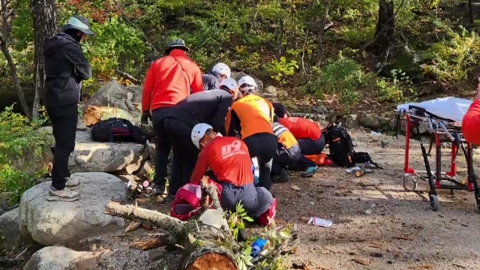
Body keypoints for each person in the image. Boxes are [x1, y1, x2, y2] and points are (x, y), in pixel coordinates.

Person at [141, 39, 203, 197]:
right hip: (179, 112)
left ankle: (158, 186)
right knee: (178, 150)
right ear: (185, 50)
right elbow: (198, 95)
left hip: (159, 112)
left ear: (169, 50)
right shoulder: (192, 66)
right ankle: (175, 191)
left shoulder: (158, 64)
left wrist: (145, 110)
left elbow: (148, 88)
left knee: (162, 148)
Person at [160, 78, 239, 198]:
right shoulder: (226, 97)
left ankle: (174, 191)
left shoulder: (212, 95)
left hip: (169, 118)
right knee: (191, 156)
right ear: (233, 92)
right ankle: (187, 193)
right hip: (184, 122)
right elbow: (218, 123)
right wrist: (224, 139)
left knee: (179, 155)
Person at [43, 16, 94, 201]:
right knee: (66, 144)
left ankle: (63, 176)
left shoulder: (52, 45)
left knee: (60, 141)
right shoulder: (70, 47)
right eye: (84, 35)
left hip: (51, 98)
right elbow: (87, 72)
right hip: (66, 100)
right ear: (78, 33)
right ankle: (57, 188)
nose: (84, 39)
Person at [190, 123, 276, 226]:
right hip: (250, 196)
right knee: (267, 196)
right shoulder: (240, 142)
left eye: (201, 145)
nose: (202, 148)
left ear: (206, 138)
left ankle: (222, 218)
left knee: (208, 179)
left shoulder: (207, 150)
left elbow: (195, 179)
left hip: (227, 198)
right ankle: (256, 218)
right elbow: (250, 169)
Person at [225, 75, 277, 190]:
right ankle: (266, 196)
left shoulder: (236, 105)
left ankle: (247, 193)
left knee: (245, 169)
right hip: (270, 141)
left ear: (240, 91)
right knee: (265, 168)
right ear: (256, 90)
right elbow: (270, 123)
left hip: (251, 142)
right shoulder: (267, 103)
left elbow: (230, 132)